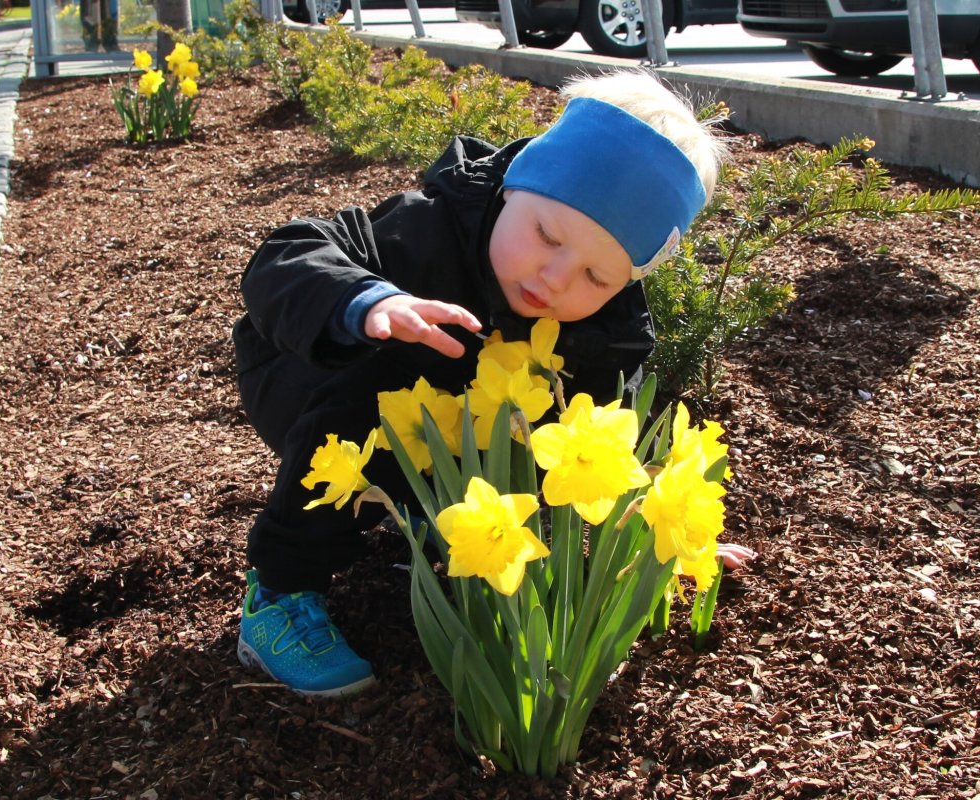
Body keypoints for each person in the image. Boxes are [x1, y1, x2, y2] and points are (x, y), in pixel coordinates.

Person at [232, 69, 731, 697]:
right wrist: (367, 305)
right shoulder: (427, 233)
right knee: (376, 396)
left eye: (596, 278)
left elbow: (605, 434)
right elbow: (285, 254)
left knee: (533, 427)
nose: (554, 278)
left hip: (452, 422)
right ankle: (279, 591)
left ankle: (421, 517)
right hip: (306, 376)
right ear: (515, 185)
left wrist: (658, 522)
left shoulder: (609, 329)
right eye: (547, 235)